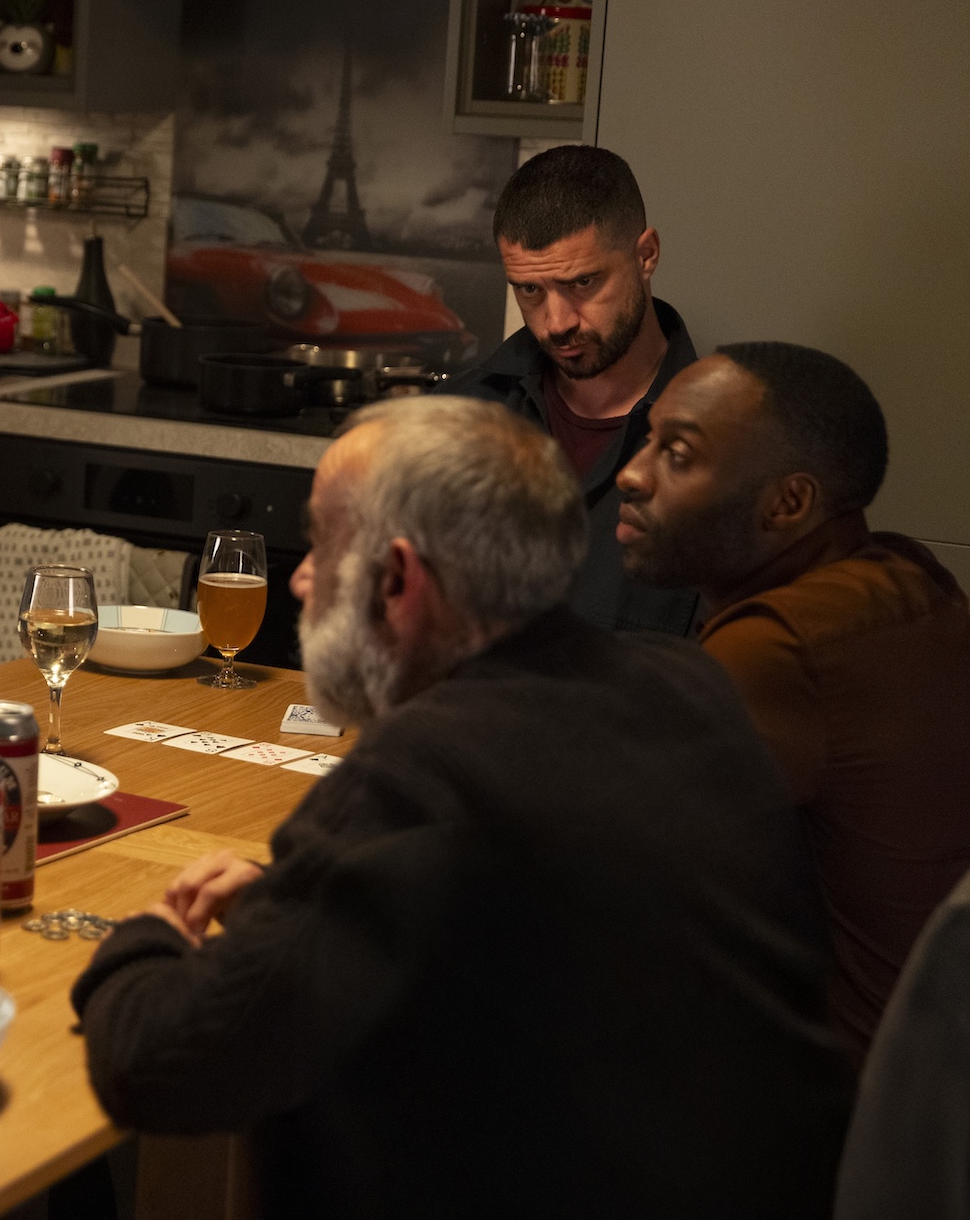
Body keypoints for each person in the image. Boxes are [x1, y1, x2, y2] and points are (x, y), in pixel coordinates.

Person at [70, 395, 853, 1215]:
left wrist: (144, 936)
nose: (301, 575)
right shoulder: (685, 683)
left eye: (325, 540)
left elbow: (156, 1067)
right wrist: (295, 904)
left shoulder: (420, 771)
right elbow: (520, 919)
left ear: (401, 580)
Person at [615, 341, 970, 1064]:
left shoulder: (778, 647)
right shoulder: (906, 575)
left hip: (838, 1116)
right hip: (921, 1092)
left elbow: (610, 875)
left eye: (677, 455)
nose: (631, 473)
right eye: (647, 440)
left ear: (789, 503)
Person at [443, 144, 700, 635]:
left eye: (582, 282)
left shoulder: (719, 450)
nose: (556, 323)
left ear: (646, 255)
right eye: (530, 290)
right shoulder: (457, 416)